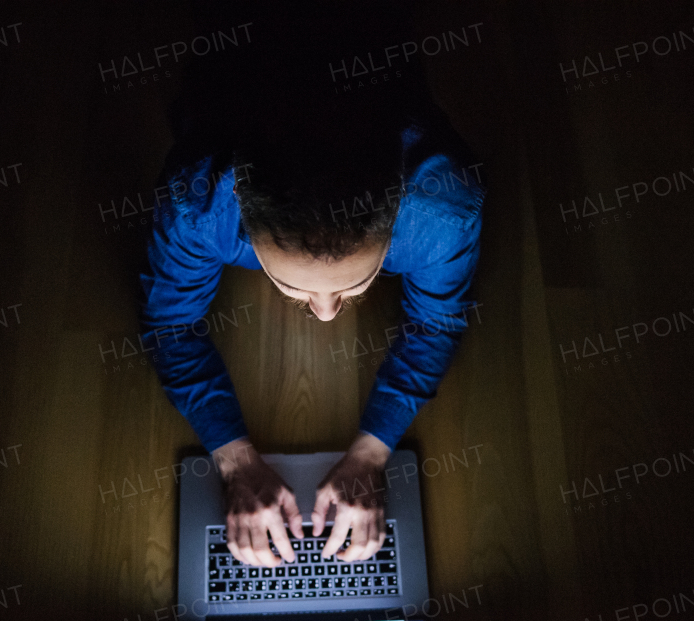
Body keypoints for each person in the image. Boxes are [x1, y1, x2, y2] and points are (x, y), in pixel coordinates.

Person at [139, 86, 483, 571]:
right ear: (239, 202)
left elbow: (437, 324)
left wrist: (371, 453)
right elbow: (169, 323)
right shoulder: (196, 203)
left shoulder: (444, 212)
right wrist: (234, 461)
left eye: (356, 283)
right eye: (292, 287)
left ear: (399, 206)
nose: (325, 314)